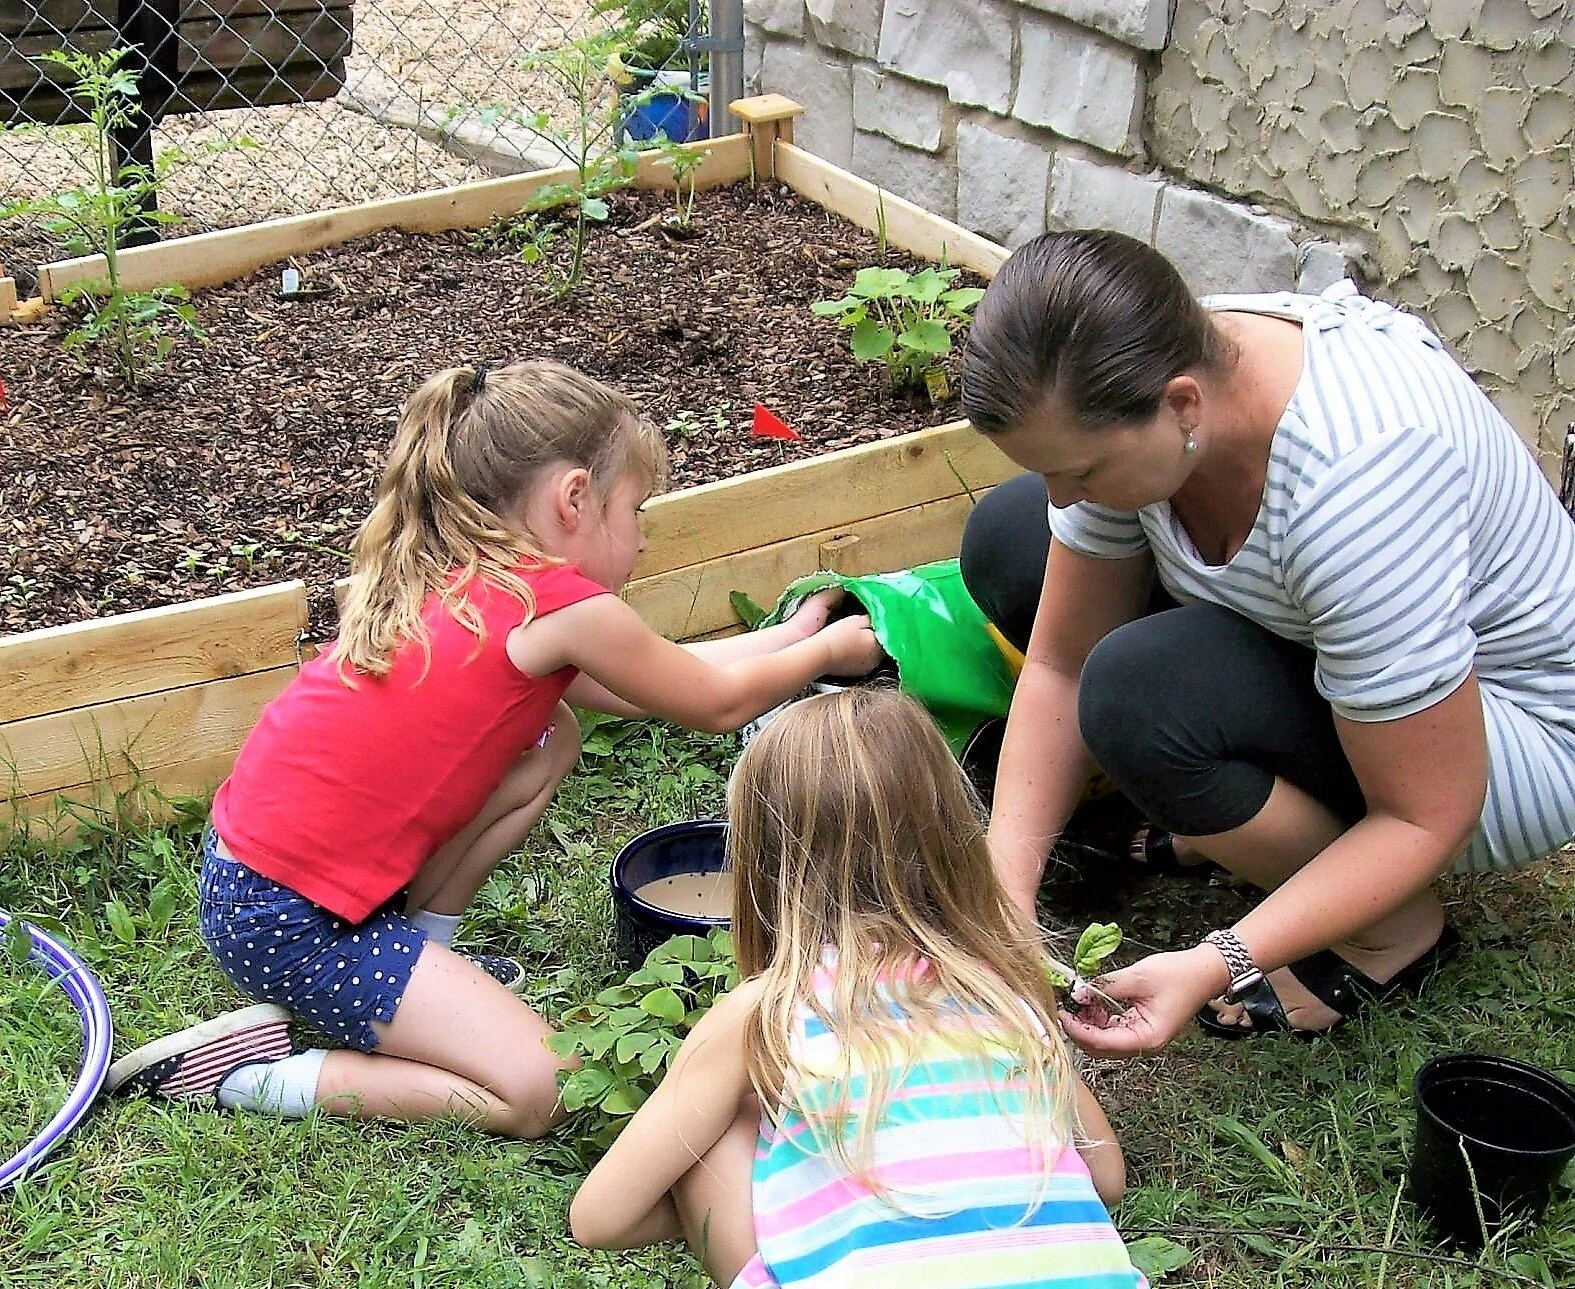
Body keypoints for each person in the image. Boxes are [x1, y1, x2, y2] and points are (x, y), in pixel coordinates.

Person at [104, 360, 882, 1137]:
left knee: (549, 736)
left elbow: (660, 678)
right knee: (545, 1089)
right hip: (296, 926)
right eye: (635, 509)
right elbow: (714, 703)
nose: (642, 538)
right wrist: (824, 654)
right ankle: (248, 1076)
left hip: (249, 882)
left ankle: (423, 956)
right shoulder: (563, 607)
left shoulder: (471, 575)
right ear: (574, 498)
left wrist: (793, 631)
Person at [956, 229, 1575, 1051]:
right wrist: (1002, 890)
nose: (1062, 496)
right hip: (1347, 656)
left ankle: (1388, 932)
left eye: (1083, 471)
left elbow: (1428, 815)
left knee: (1141, 694)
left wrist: (1217, 957)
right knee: (1011, 539)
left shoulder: (1356, 479)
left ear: (1182, 406)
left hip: (1507, 745)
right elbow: (1060, 663)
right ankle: (1262, 827)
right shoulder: (1156, 362)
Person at [571, 688, 1148, 1289]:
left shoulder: (768, 1011)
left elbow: (600, 1218)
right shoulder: (1004, 985)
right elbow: (1104, 1177)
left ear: (763, 863)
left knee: (713, 1129)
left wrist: (776, 1195)